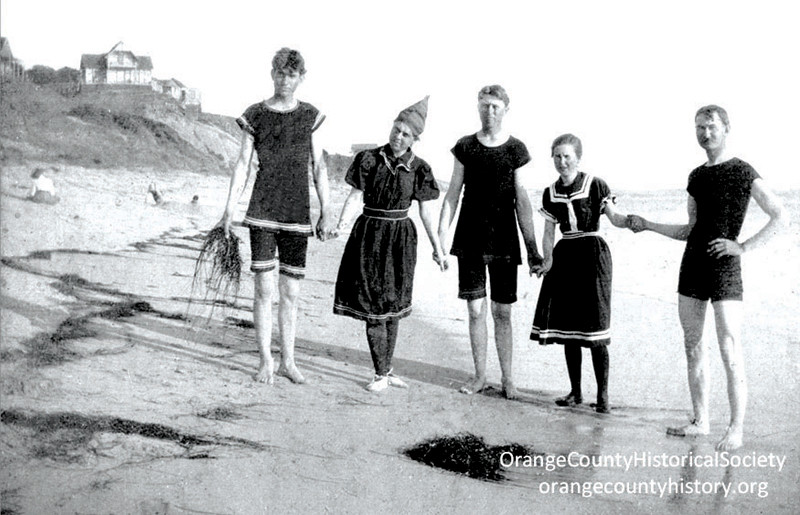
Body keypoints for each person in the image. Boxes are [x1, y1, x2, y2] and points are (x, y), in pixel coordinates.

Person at [628, 105, 786, 450]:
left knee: (730, 345)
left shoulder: (743, 170)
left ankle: (736, 429)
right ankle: (700, 421)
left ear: (726, 128)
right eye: (699, 127)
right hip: (693, 265)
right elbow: (690, 229)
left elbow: (780, 216)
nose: (705, 133)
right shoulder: (696, 176)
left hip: (726, 266)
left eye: (711, 127)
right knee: (692, 344)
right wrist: (649, 225)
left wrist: (742, 247)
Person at [218, 47, 336, 385]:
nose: (285, 79)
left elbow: (319, 166)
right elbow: (243, 164)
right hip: (263, 212)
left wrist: (327, 210)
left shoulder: (310, 115)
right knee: (263, 290)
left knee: (291, 292)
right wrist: (229, 210)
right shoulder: (255, 114)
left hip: (297, 214)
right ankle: (265, 361)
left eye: (292, 74)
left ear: (301, 78)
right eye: (280, 72)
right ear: (272, 74)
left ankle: (289, 360)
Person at [332, 97, 447, 392]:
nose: (398, 136)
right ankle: (380, 373)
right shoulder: (369, 159)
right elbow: (355, 196)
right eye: (396, 129)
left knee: (394, 304)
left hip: (401, 239)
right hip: (370, 234)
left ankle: (388, 368)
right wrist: (340, 224)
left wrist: (437, 248)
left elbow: (425, 212)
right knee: (373, 303)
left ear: (415, 139)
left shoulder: (419, 168)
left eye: (406, 134)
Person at [438, 85, 543, 399]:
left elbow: (522, 201)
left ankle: (508, 379)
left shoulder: (516, 150)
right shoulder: (466, 146)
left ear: (505, 109)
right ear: (477, 107)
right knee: (474, 311)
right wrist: (440, 239)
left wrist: (532, 246)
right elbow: (452, 194)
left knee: (502, 313)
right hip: (469, 238)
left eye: (495, 106)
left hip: (504, 240)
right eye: (484, 105)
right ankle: (480, 376)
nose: (489, 111)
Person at [529, 134, 631, 414]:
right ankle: (575, 392)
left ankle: (603, 397)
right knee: (569, 330)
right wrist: (546, 261)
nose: (562, 162)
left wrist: (632, 222)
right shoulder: (549, 192)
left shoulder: (595, 184)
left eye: (567, 157)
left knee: (595, 331)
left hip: (593, 255)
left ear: (578, 158)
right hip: (565, 256)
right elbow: (549, 232)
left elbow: (614, 217)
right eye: (557, 157)